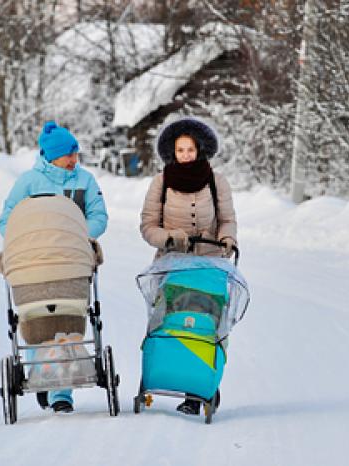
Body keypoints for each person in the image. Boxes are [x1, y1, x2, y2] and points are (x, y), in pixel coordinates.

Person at [0, 120, 108, 413]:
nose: (74, 159)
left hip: (71, 261)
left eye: (76, 154)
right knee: (39, 323)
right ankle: (42, 376)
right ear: (51, 155)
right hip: (35, 261)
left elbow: (99, 216)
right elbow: (6, 223)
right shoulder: (28, 183)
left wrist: (78, 236)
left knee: (66, 323)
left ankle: (62, 394)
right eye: (68, 154)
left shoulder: (85, 181)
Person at [139, 116, 237, 415]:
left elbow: (227, 219)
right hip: (173, 265)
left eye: (190, 150)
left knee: (206, 327)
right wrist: (169, 238)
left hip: (209, 265)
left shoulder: (216, 181)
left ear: (200, 150)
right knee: (173, 323)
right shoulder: (162, 182)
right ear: (172, 152)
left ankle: (197, 392)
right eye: (180, 151)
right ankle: (163, 375)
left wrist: (227, 239)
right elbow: (147, 226)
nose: (185, 156)